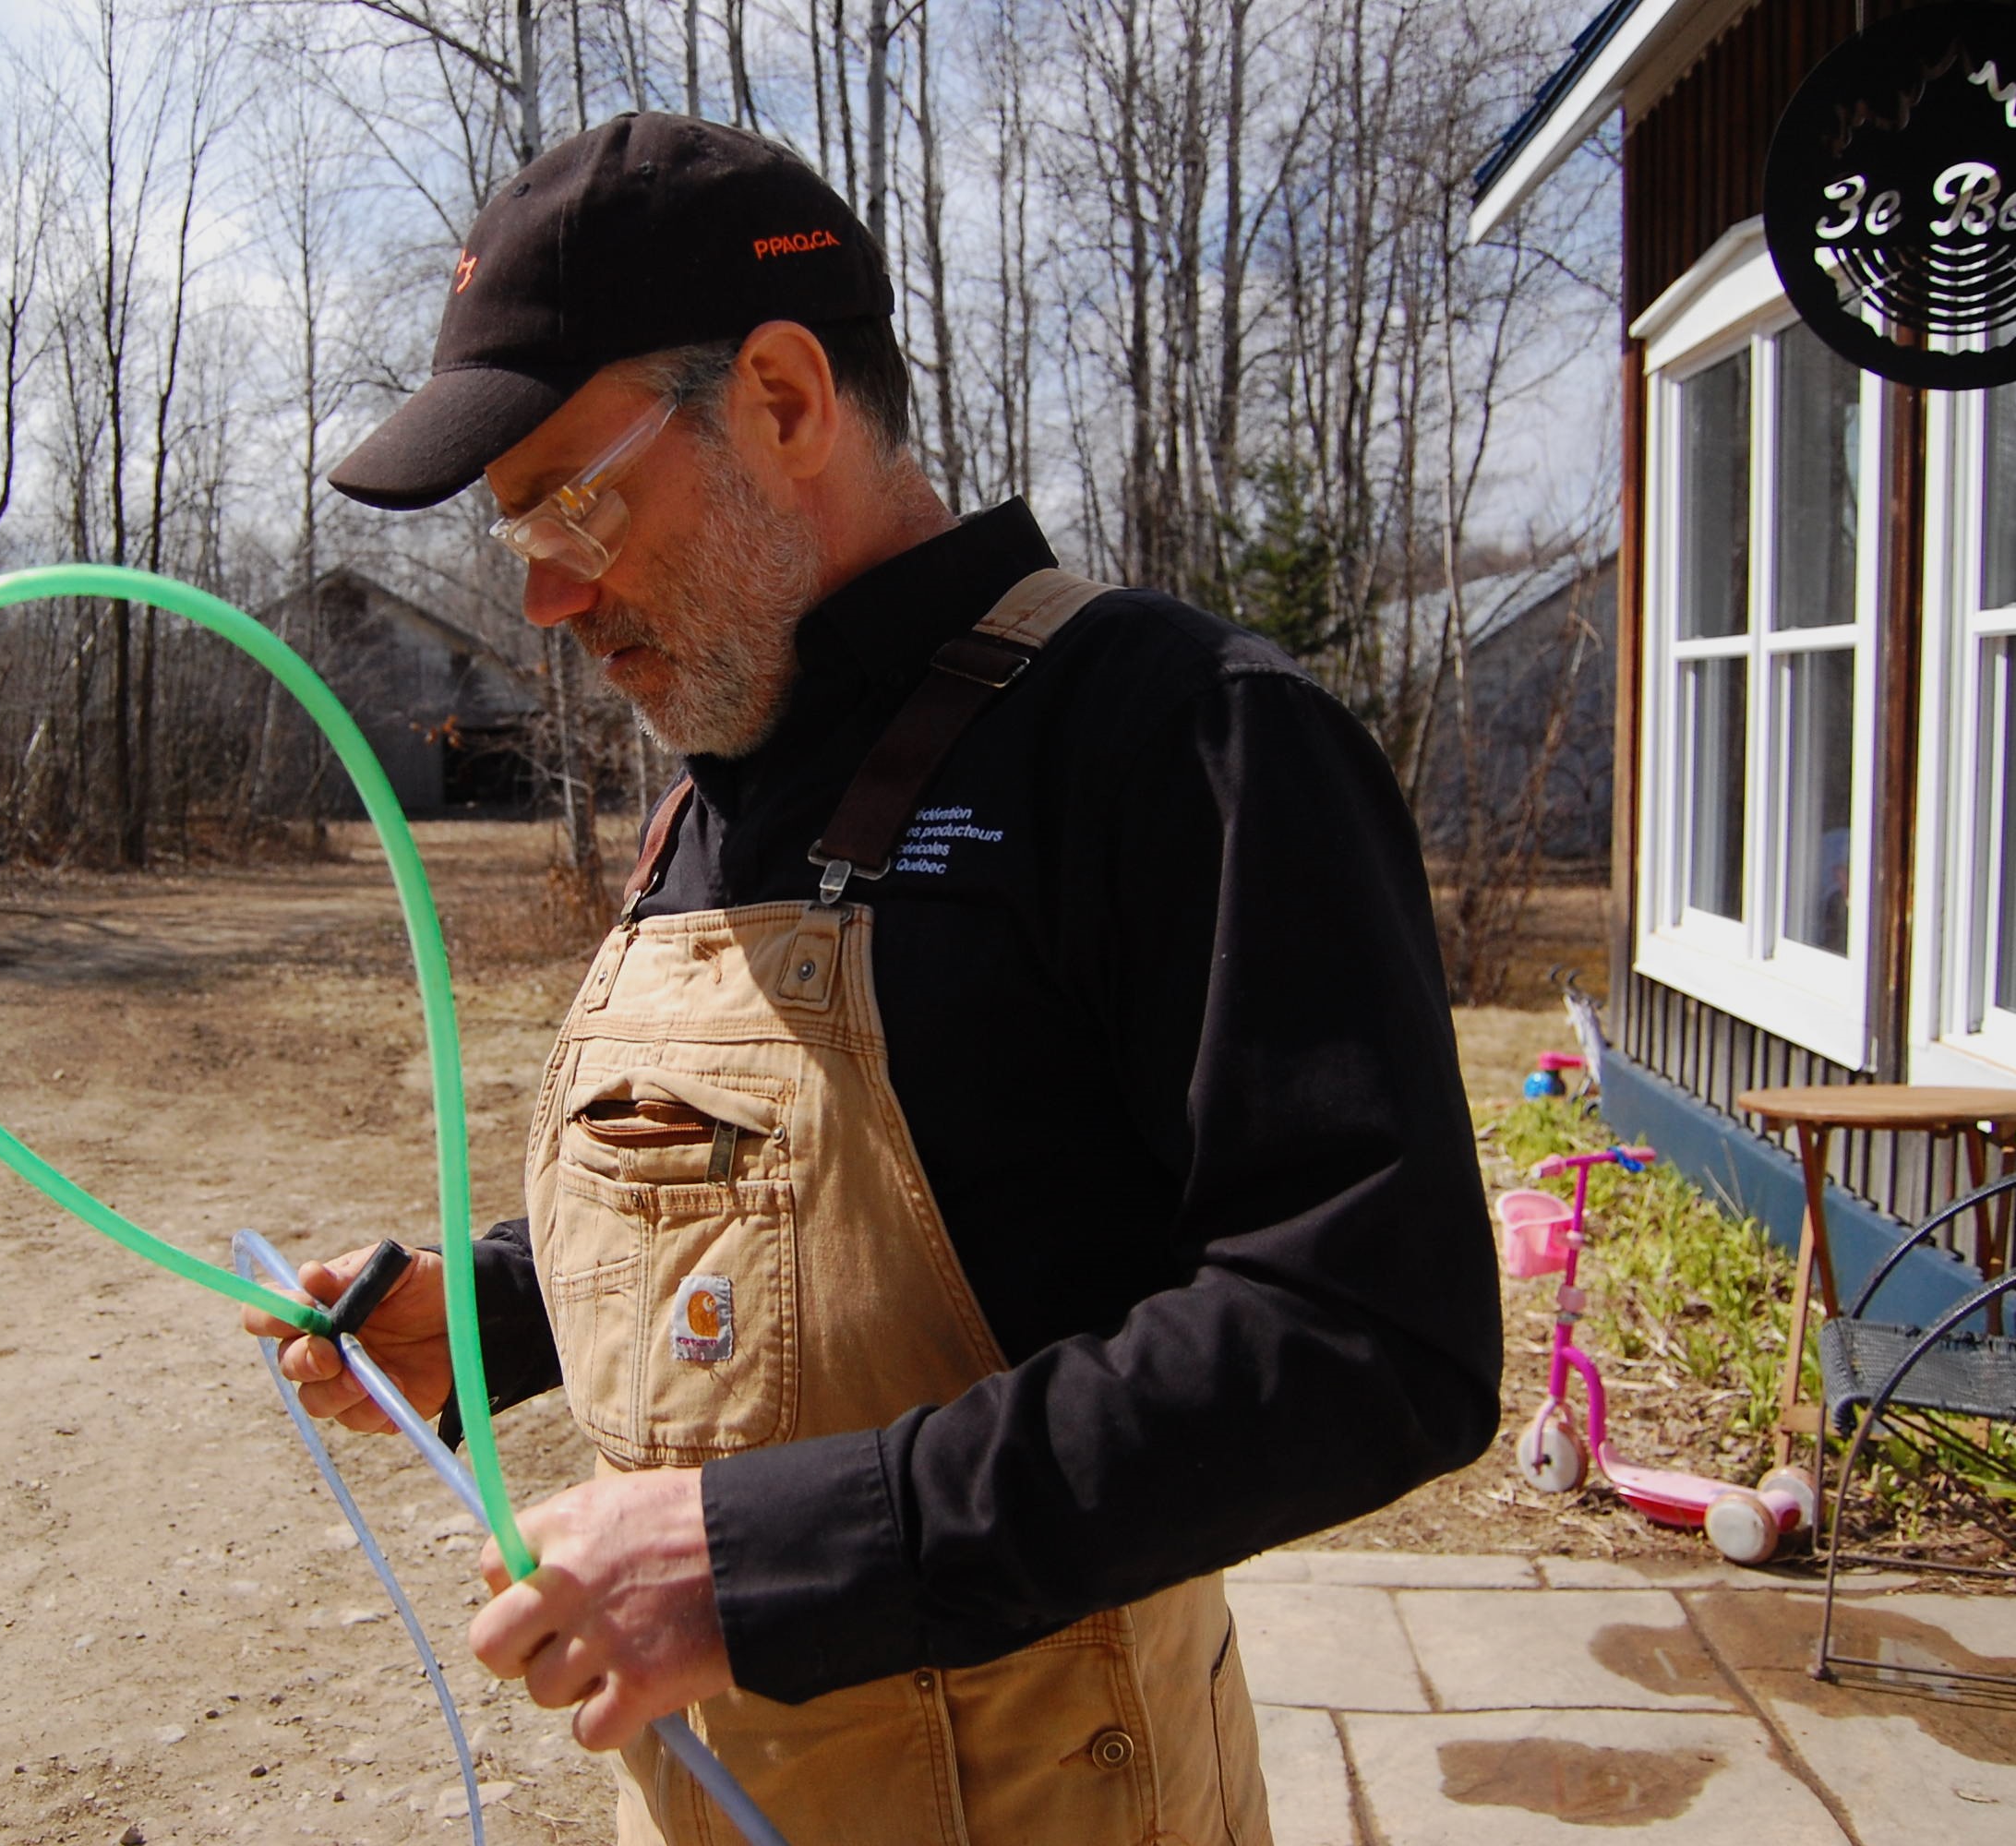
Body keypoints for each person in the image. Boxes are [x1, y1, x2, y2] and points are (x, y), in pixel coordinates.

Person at [245, 112, 1500, 1846]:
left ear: (779, 397)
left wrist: (764, 1558)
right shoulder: (719, 778)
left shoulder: (1174, 737)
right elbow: (786, 1207)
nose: (540, 594)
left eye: (569, 503)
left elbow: (1368, 1339)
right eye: (511, 530)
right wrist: (481, 1316)